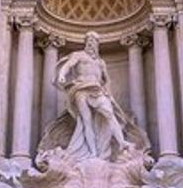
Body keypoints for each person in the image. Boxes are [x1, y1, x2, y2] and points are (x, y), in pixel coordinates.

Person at [54, 32, 131, 160]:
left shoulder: (100, 62)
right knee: (86, 121)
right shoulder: (78, 55)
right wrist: (62, 75)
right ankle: (93, 153)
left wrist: (108, 93)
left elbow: (106, 79)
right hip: (81, 89)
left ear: (97, 44)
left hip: (97, 90)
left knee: (110, 114)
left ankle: (121, 142)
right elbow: (68, 66)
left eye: (93, 41)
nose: (90, 43)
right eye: (89, 40)